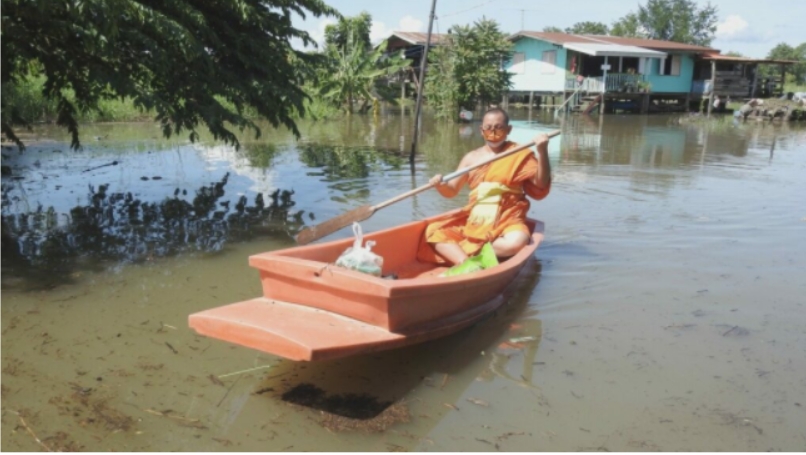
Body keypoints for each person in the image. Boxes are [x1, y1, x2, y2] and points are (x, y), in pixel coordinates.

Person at [416, 107, 551, 270]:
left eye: (499, 127)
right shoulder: (471, 158)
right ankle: (467, 264)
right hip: (476, 219)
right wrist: (440, 185)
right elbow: (451, 191)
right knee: (433, 231)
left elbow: (541, 185)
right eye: (488, 128)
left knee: (516, 243)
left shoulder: (519, 154)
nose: (493, 132)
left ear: (509, 130)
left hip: (508, 218)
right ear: (481, 130)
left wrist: (542, 152)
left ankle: (467, 253)